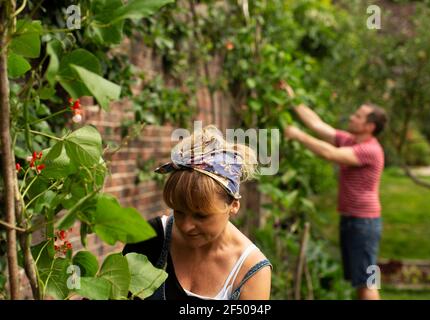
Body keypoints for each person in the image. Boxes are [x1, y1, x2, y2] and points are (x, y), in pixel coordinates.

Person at [123, 125, 272, 300]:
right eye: (179, 212)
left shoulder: (249, 272)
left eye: (201, 216)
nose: (186, 226)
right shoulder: (152, 237)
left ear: (233, 205)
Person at [280, 82, 387, 300]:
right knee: (361, 280)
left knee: (367, 281)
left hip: (364, 223)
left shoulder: (370, 150)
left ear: (370, 127)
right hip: (353, 221)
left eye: (358, 116)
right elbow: (316, 124)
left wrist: (299, 136)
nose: (352, 117)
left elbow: (330, 154)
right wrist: (292, 97)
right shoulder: (349, 140)